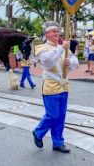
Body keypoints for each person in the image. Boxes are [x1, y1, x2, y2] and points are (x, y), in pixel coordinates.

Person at [32, 21, 79, 153]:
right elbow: (47, 61)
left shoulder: (63, 47)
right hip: (51, 86)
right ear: (47, 34)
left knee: (61, 116)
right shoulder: (41, 48)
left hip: (63, 85)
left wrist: (70, 61)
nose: (57, 34)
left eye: (58, 32)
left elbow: (75, 61)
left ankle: (58, 142)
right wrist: (61, 48)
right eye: (54, 32)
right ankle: (38, 132)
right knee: (52, 115)